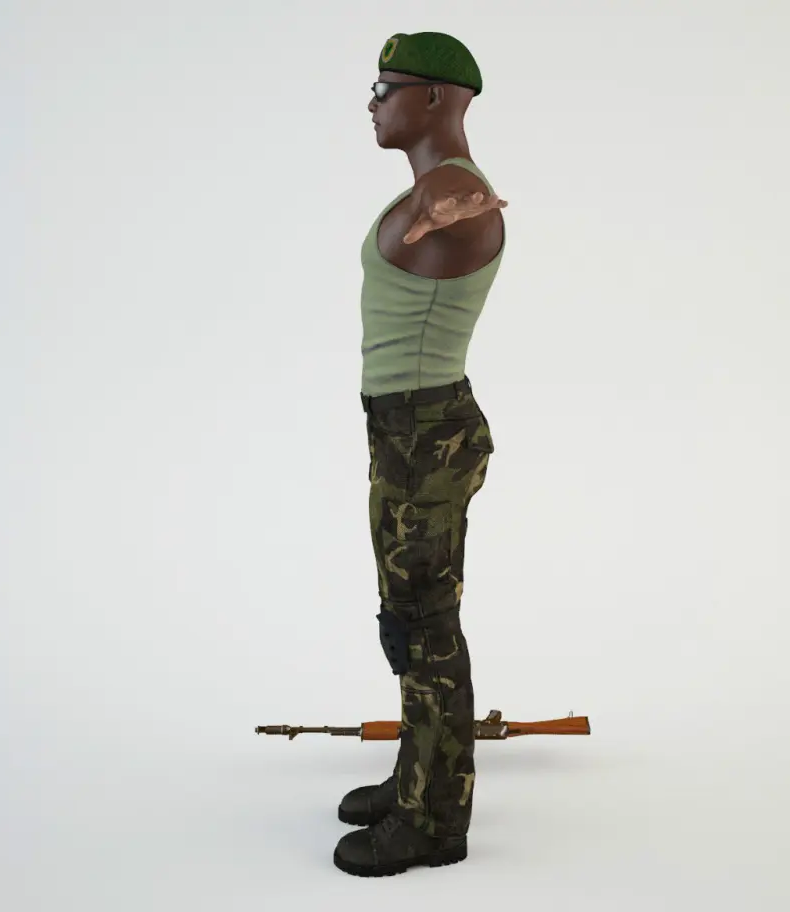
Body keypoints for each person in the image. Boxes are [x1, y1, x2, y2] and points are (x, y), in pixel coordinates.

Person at [332, 32, 507, 878]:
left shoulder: (454, 189)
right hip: (406, 431)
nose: (372, 103)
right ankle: (419, 776)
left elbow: (467, 200)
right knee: (406, 619)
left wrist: (453, 203)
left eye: (385, 87)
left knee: (424, 624)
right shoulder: (423, 190)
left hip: (425, 434)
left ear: (435, 97)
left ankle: (434, 822)